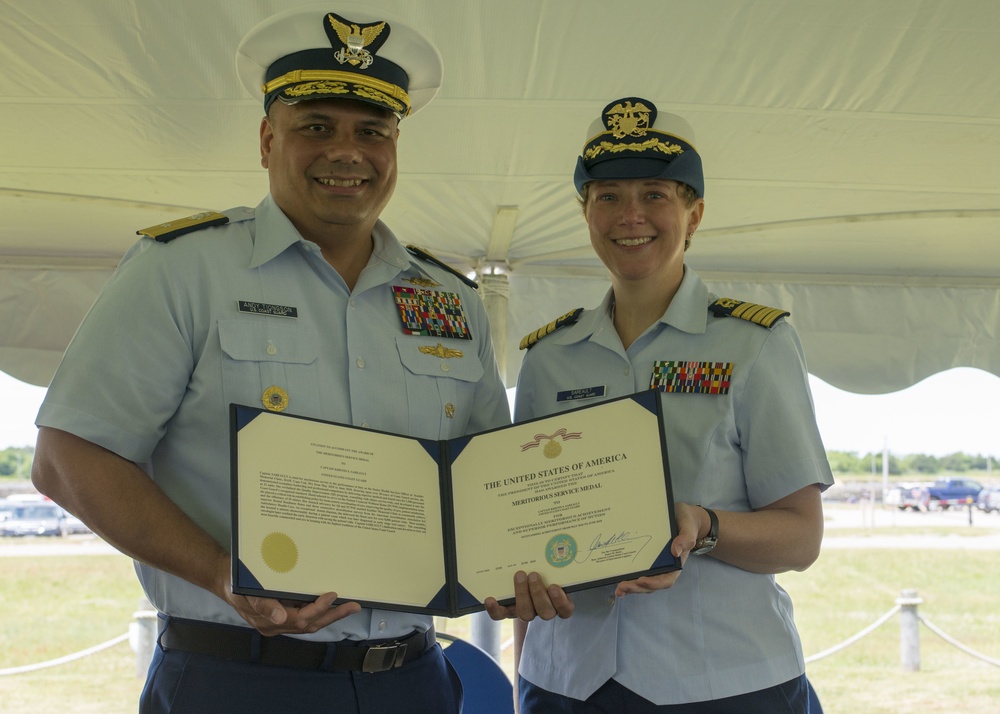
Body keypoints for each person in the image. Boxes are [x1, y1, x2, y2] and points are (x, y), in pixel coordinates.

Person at [31, 6, 509, 713]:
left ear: (395, 146)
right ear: (266, 138)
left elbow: (487, 484)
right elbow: (69, 457)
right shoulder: (183, 270)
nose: (346, 152)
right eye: (316, 126)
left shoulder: (450, 301)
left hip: (411, 680)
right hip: (237, 679)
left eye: (372, 132)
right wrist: (222, 572)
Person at [485, 97, 835, 712]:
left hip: (723, 681)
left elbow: (800, 537)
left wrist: (703, 527)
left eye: (655, 194)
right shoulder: (549, 358)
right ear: (586, 212)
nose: (631, 216)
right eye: (609, 196)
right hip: (568, 681)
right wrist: (526, 673)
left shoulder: (754, 344)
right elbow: (530, 531)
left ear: (693, 214)